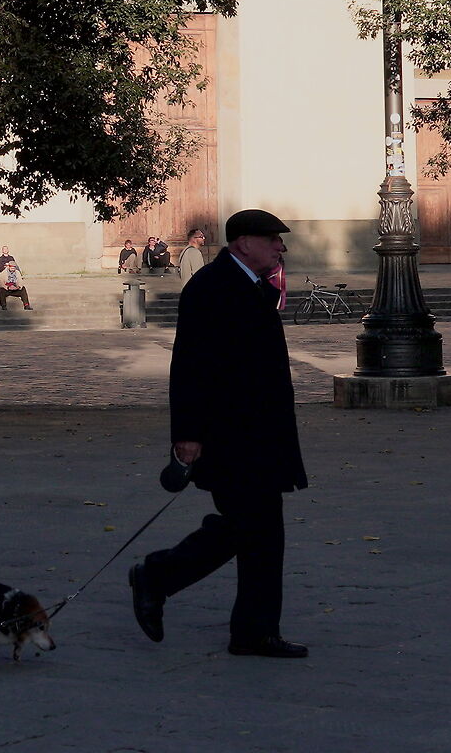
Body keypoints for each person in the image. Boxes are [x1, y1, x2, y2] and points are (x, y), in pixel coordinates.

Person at [130, 208, 308, 659]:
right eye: (273, 240)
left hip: (258, 435)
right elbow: (190, 366)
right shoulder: (211, 287)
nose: (280, 247)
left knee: (249, 530)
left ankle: (175, 585)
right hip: (230, 436)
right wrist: (187, 434)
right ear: (244, 242)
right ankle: (169, 582)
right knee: (255, 530)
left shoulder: (250, 285)